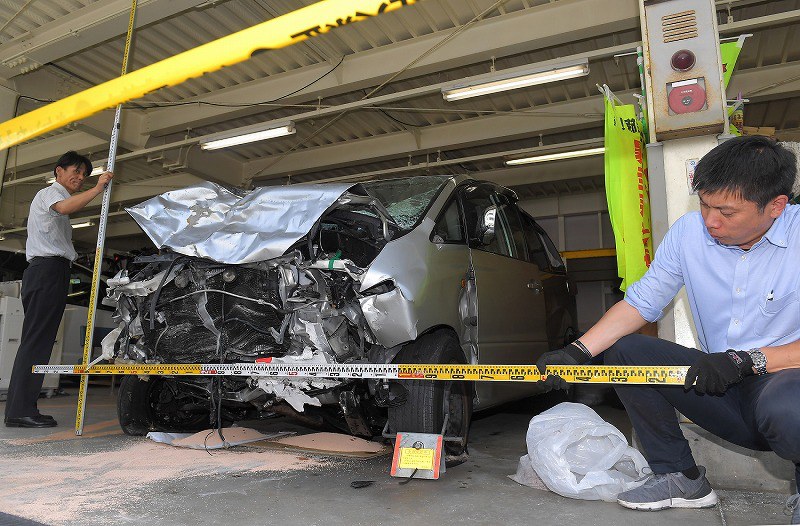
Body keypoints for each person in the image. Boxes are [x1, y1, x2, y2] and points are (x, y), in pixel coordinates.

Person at [536, 135, 800, 523]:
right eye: (705, 204)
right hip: (720, 383)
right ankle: (681, 477)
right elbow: (641, 303)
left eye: (727, 212)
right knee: (627, 352)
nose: (711, 220)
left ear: (776, 206)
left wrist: (749, 360)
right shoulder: (688, 233)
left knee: (788, 405)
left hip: (782, 382)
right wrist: (577, 352)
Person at [4, 151, 113, 428]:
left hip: (53, 271)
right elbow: (65, 208)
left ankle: (24, 407)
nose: (79, 178)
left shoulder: (57, 200)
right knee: (36, 341)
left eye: (84, 175)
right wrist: (98, 187)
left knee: (39, 342)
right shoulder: (48, 195)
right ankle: (19, 411)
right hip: (46, 271)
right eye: (75, 171)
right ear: (59, 171)